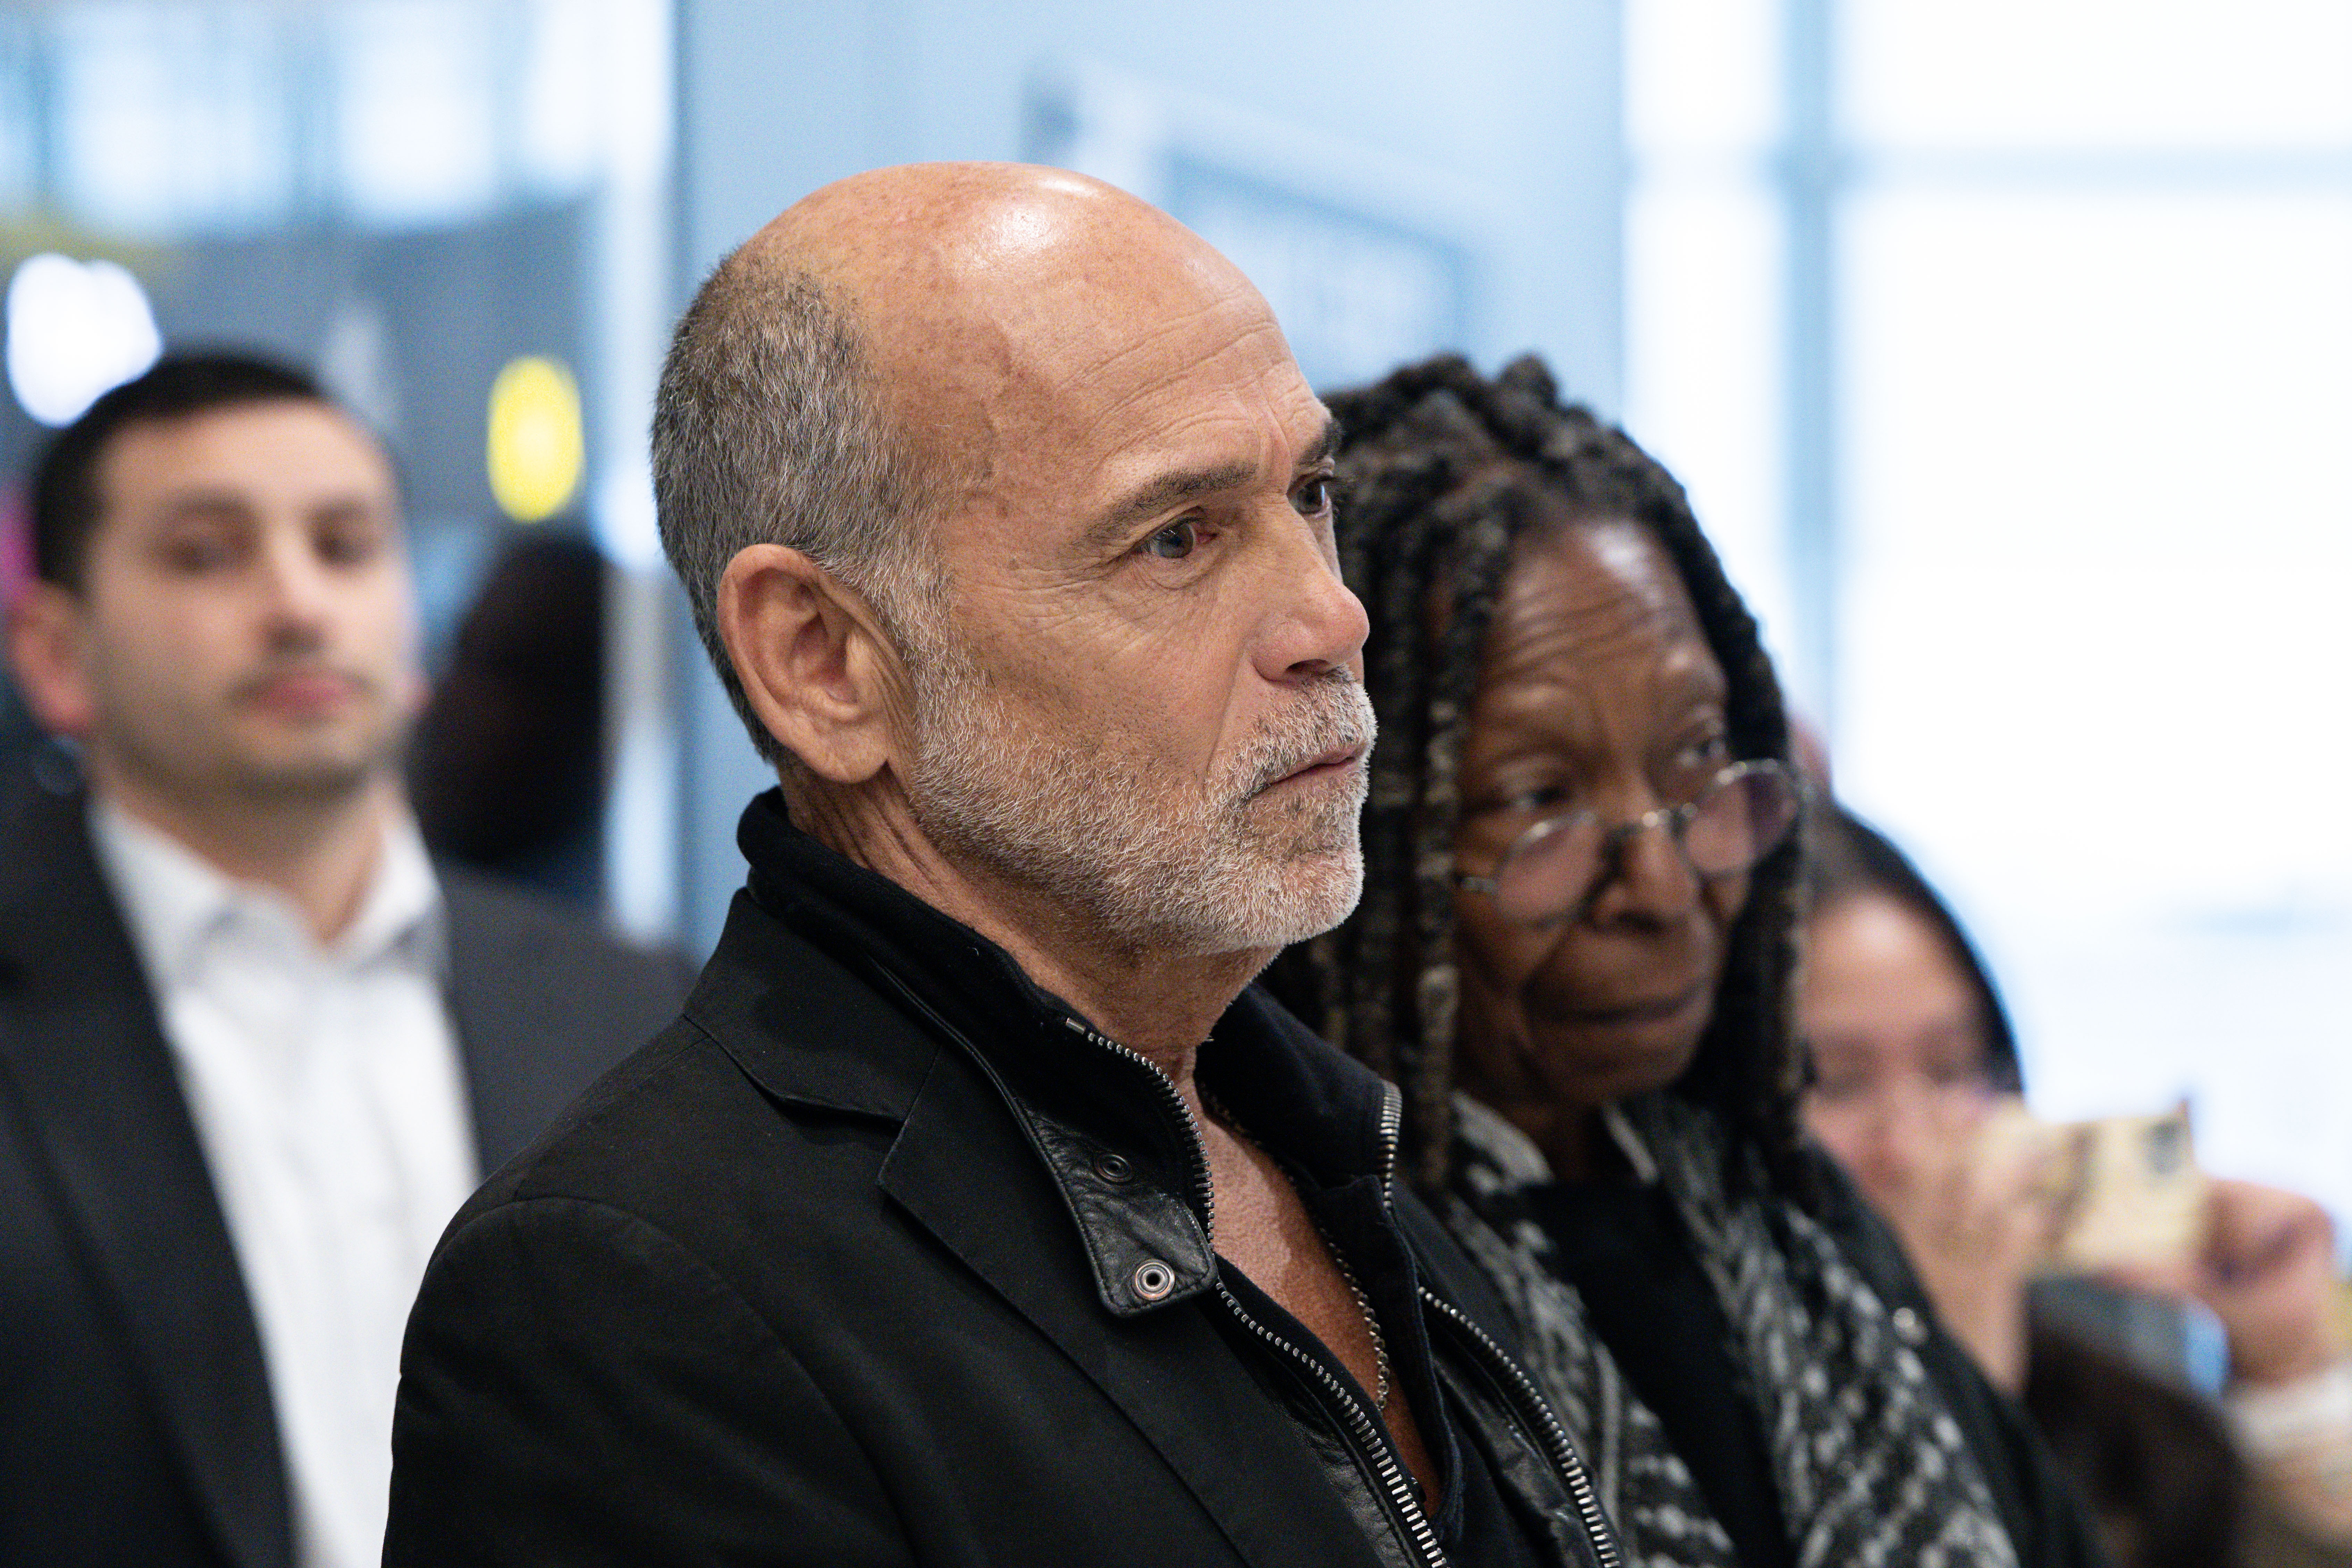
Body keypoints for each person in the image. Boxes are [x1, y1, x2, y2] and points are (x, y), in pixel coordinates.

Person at [381, 163, 1620, 1568]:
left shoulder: (1329, 1132)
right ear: (823, 662)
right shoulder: (628, 1292)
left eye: (1310, 493)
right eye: (1176, 536)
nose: (1329, 616)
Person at [1266, 353, 2106, 1568]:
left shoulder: (1791, 1221)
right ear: (1360, 809)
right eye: (1539, 796)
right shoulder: (1326, 1287)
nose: (1661, 885)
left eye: (1699, 756)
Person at [0, 352, 694, 1568]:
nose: (297, 602)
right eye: (206, 553)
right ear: (57, 654)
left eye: (345, 543)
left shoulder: (638, 1011)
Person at [1798, 802, 2352, 1568]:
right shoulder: (1709, 1422)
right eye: (1837, 1082)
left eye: (1951, 1067)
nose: (1912, 1141)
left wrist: (2285, 1369)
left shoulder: (2123, 1405)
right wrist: (1954, 1384)